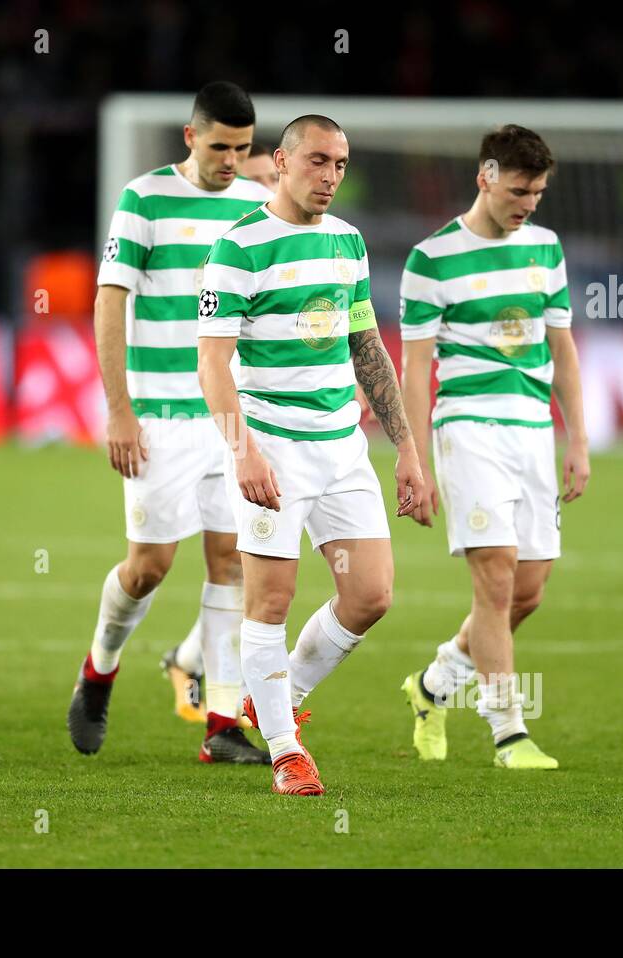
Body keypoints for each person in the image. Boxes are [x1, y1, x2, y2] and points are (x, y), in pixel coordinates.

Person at [198, 115, 427, 795]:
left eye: (341, 165)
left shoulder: (348, 243)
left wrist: (408, 448)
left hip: (341, 450)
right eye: (318, 161)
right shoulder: (238, 248)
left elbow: (367, 348)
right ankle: (283, 749)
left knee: (371, 595)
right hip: (271, 445)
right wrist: (244, 453)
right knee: (271, 599)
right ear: (283, 160)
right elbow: (212, 363)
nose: (330, 177)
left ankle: (275, 696)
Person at [68, 82, 274, 764]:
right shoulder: (143, 198)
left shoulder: (256, 205)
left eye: (243, 149)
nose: (231, 160)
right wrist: (118, 408)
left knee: (231, 564)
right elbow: (108, 304)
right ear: (190, 137)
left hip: (231, 416)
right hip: (158, 416)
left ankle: (221, 724)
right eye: (220, 147)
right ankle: (100, 668)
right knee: (150, 566)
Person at [397, 124, 590, 770]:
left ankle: (432, 687)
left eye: (537, 192)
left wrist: (578, 440)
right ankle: (509, 732)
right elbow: (415, 371)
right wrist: (414, 458)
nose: (529, 203)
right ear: (485, 177)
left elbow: (562, 350)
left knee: (528, 590)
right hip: (469, 429)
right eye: (519, 190)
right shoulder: (432, 259)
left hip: (533, 432)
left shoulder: (546, 249)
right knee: (497, 578)